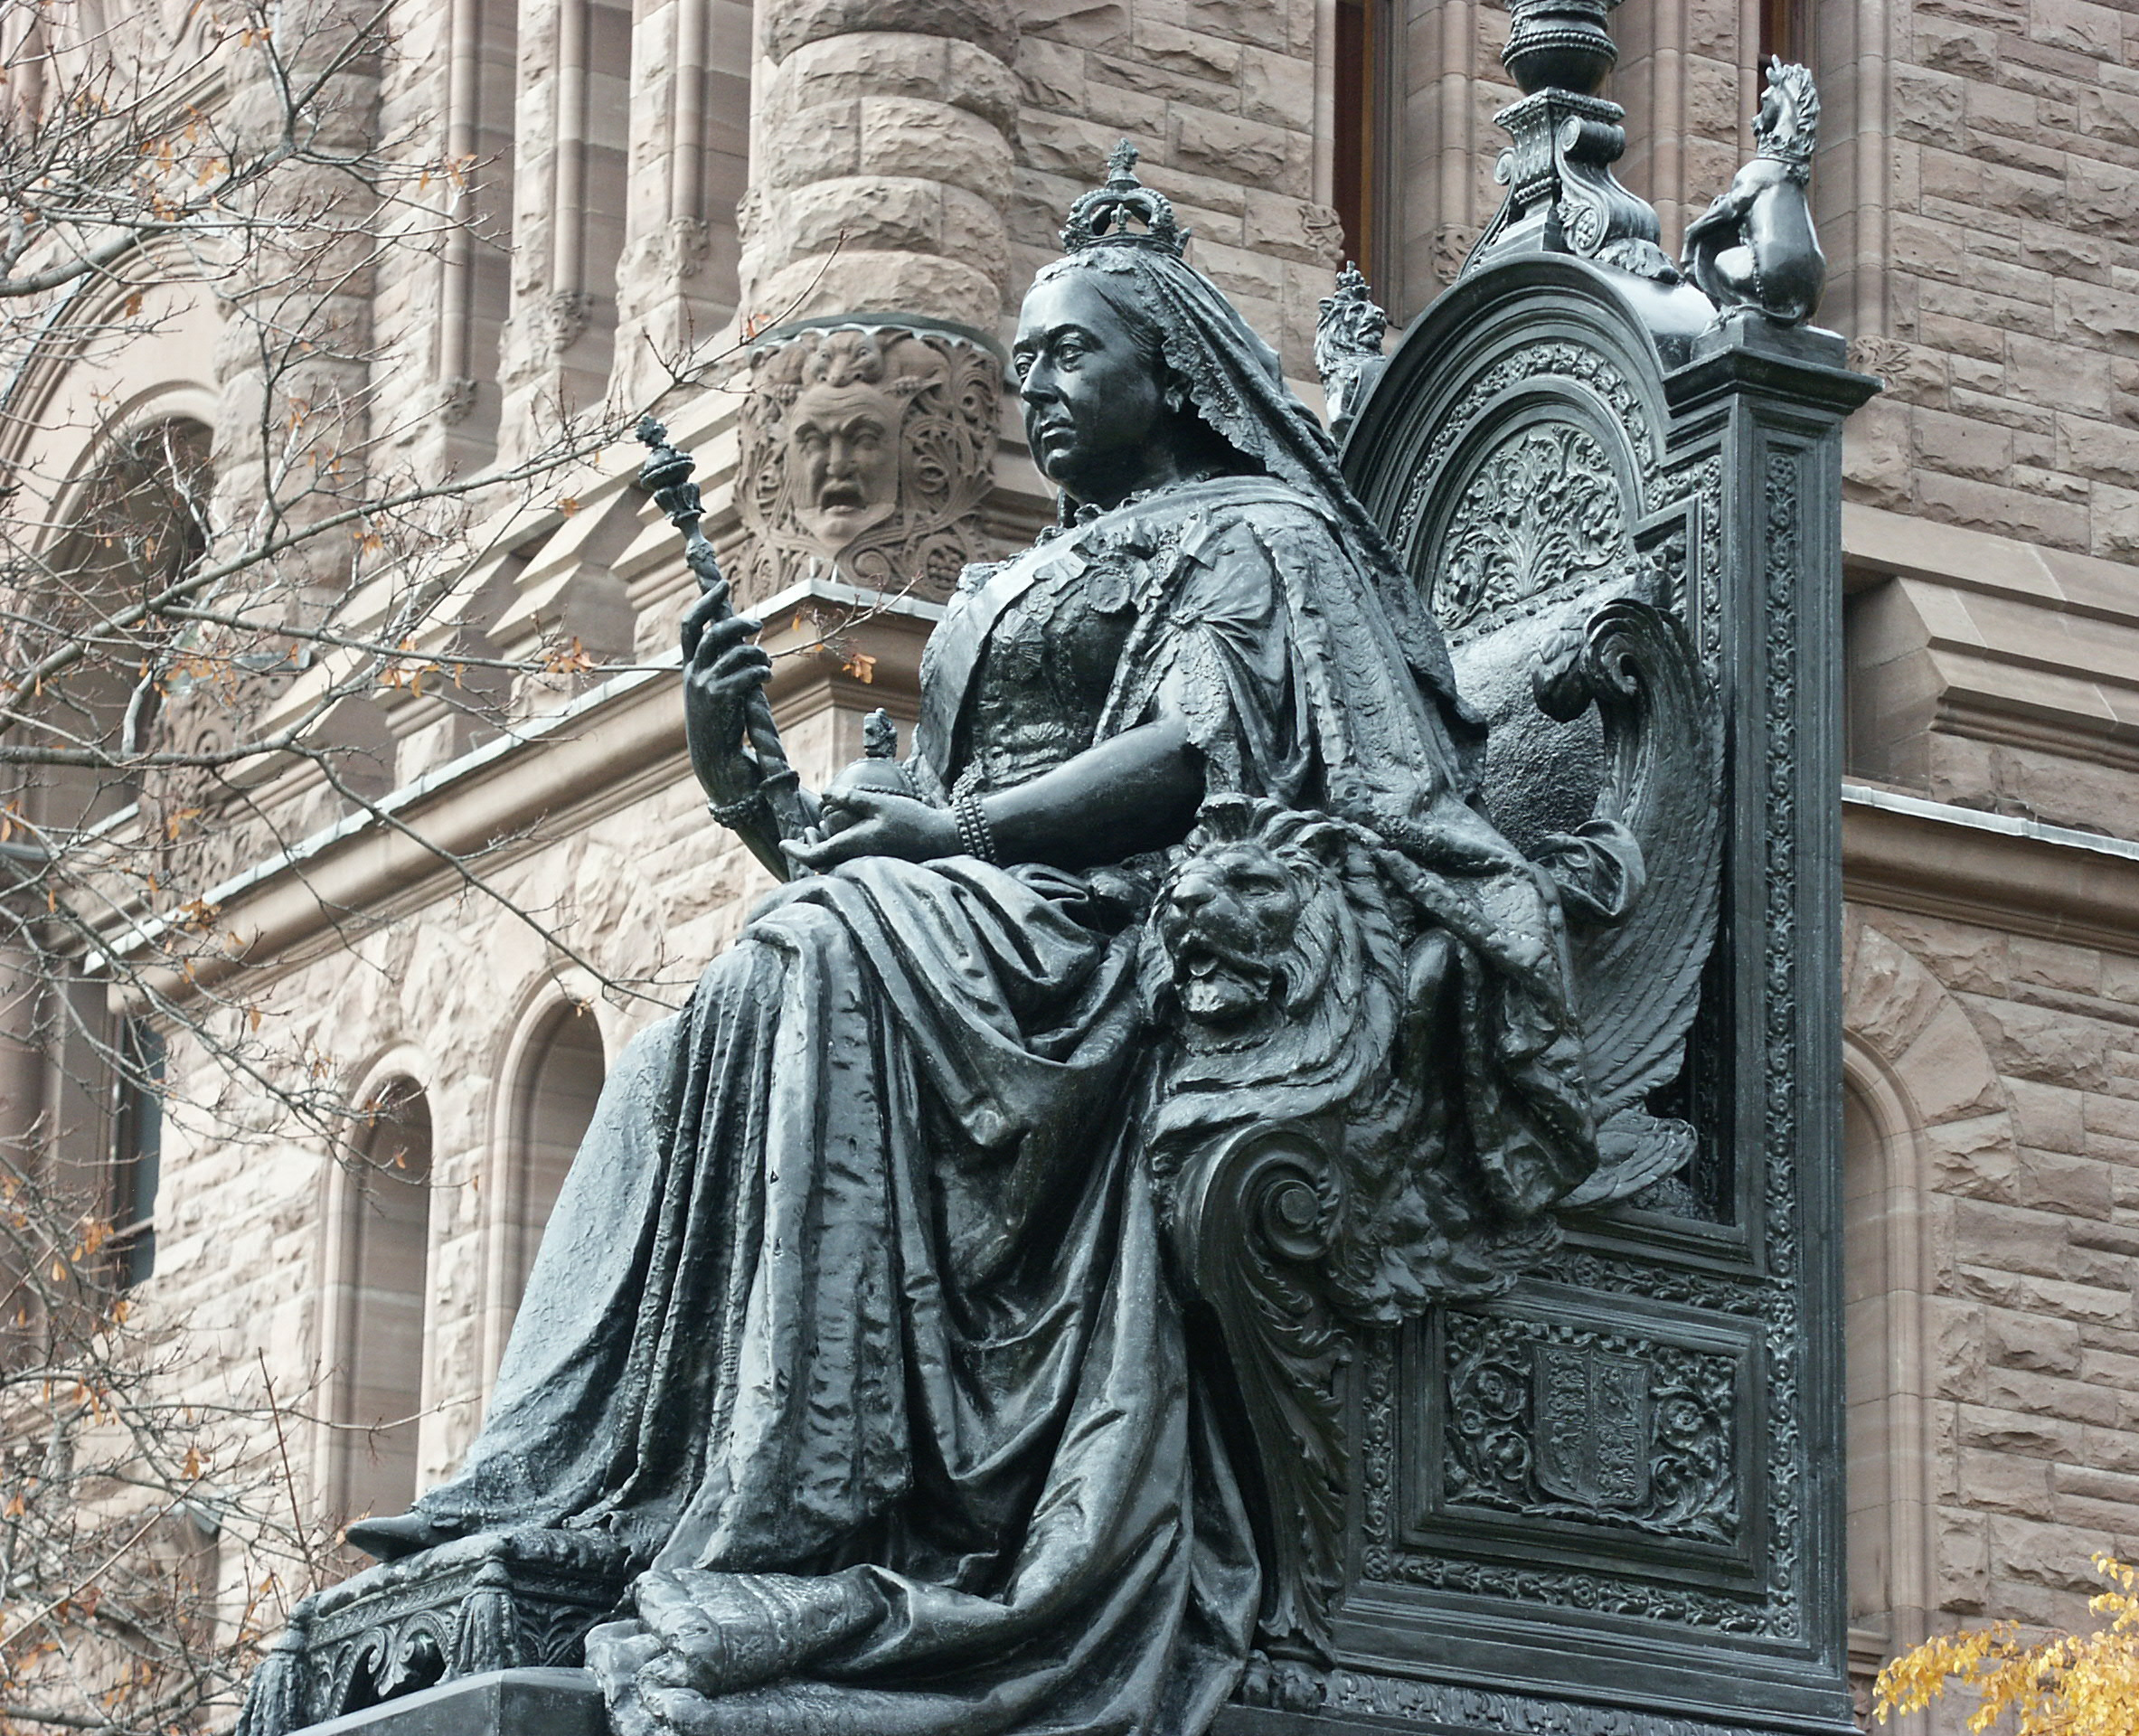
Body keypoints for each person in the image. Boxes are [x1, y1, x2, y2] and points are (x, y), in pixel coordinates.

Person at [336, 145, 1618, 1736]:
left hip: (1139, 921)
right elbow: (908, 810)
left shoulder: (1256, 535)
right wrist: (753, 789)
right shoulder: (1020, 576)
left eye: (1075, 354)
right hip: (978, 910)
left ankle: (810, 1501)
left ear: (1175, 370)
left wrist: (964, 837)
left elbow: (1202, 748)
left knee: (821, 958)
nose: (1041, 392)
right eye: (1026, 369)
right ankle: (559, 1480)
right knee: (709, 1017)